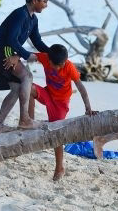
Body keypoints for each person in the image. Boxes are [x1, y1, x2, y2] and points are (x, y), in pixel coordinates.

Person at [0, 0, 51, 133]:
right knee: (27, 76)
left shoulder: (33, 19)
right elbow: (11, 39)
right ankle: (25, 120)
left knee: (17, 88)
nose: (46, 5)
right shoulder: (20, 14)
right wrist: (26, 55)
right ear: (35, 0)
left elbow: (37, 42)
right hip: (0, 50)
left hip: (8, 50)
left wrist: (52, 54)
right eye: (45, 1)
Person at [27, 44, 96, 180]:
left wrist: (88, 107)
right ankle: (29, 120)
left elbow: (80, 87)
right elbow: (30, 55)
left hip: (61, 104)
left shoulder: (69, 67)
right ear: (50, 60)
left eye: (62, 64)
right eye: (57, 65)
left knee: (56, 133)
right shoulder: (45, 58)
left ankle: (59, 167)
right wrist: (16, 56)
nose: (59, 67)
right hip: (47, 93)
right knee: (27, 87)